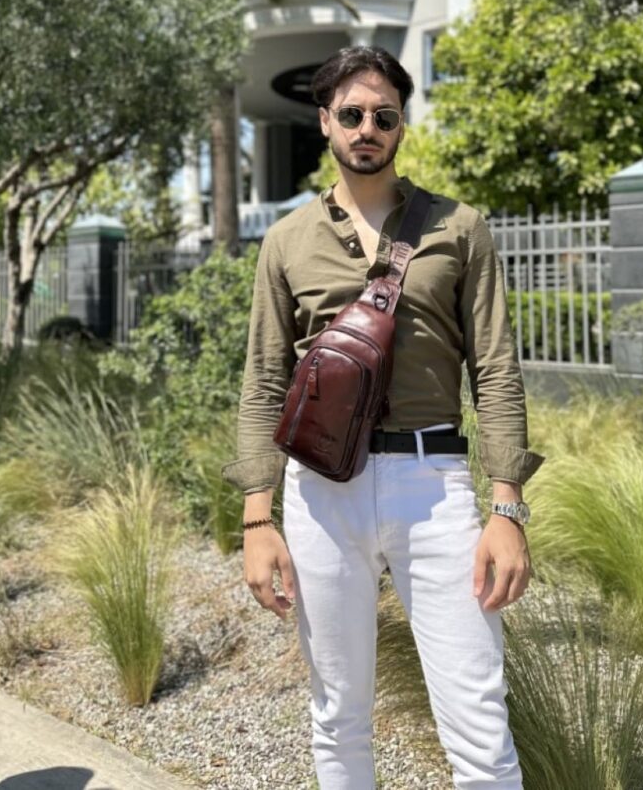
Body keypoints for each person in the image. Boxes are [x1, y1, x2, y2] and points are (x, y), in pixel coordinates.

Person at [222, 45, 544, 789]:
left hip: (433, 486)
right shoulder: (287, 241)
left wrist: (507, 508)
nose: (367, 128)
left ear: (401, 124)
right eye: (352, 114)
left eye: (384, 116)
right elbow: (264, 382)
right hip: (320, 493)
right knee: (338, 716)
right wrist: (257, 519)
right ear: (325, 122)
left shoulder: (459, 228)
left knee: (479, 722)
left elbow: (496, 370)